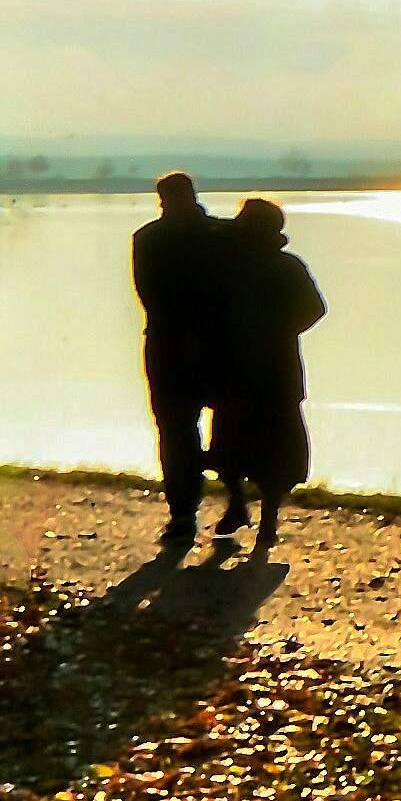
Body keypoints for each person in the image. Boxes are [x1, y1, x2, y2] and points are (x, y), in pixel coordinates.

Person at [210, 196, 326, 557]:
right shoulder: (276, 266)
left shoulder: (232, 266)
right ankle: (253, 513)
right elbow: (315, 309)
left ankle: (251, 511)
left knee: (236, 441)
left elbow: (314, 309)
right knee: (251, 443)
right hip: (266, 367)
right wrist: (282, 331)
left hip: (254, 366)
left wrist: (274, 331)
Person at [131, 172, 240, 550]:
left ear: (162, 199)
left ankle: (183, 514)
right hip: (219, 345)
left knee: (175, 429)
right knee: (224, 424)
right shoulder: (224, 235)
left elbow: (150, 296)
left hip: (168, 346)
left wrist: (184, 335)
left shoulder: (147, 239)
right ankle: (232, 501)